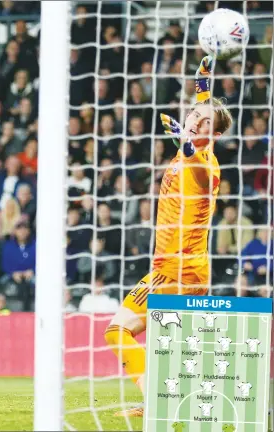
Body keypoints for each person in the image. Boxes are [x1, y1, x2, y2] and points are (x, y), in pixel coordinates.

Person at [105, 56, 233, 417]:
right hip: (172, 267)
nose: (195, 120)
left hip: (182, 271)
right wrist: (203, 76)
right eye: (194, 116)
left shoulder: (205, 161)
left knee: (121, 330)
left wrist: (185, 140)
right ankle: (161, 401)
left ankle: (157, 402)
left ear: (216, 135)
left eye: (204, 122)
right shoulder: (188, 144)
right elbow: (201, 105)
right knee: (135, 334)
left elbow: (197, 163)